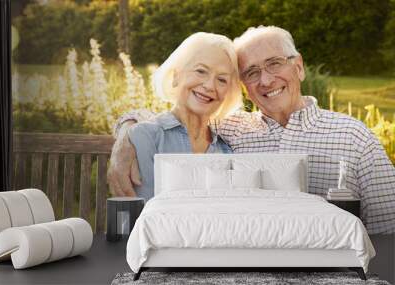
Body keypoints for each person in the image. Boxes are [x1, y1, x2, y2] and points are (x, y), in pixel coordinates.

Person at [108, 26, 395, 235]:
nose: (266, 80)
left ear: (299, 67)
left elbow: (389, 224)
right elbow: (177, 117)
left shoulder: (352, 135)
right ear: (243, 86)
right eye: (252, 73)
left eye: (274, 64)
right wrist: (126, 134)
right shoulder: (233, 129)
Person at [107, 32, 242, 201]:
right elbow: (145, 211)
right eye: (201, 71)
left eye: (222, 80)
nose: (209, 85)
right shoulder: (146, 136)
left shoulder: (226, 148)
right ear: (176, 76)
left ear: (228, 92)